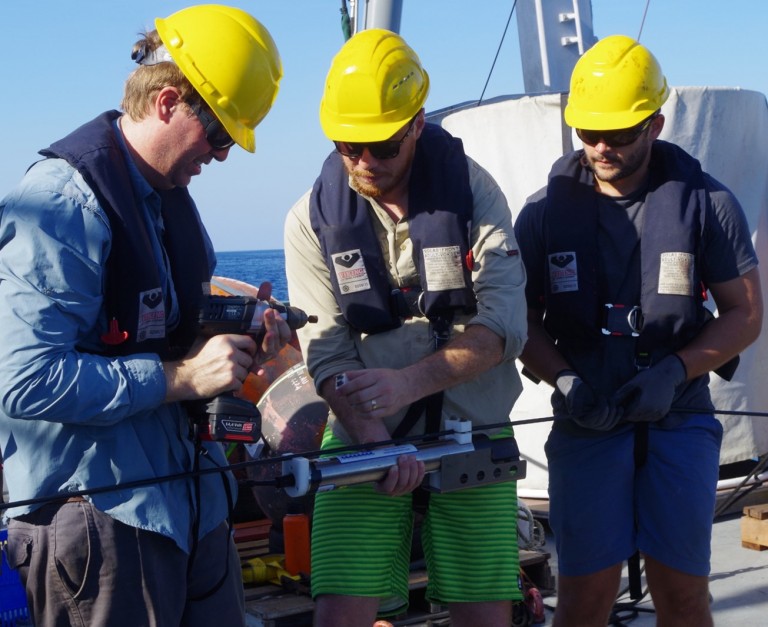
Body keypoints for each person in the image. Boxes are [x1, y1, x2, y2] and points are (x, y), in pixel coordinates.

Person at [0, 6, 288, 627]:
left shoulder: (169, 203)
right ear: (167, 103)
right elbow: (24, 379)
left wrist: (244, 333)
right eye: (218, 134)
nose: (223, 155)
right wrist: (182, 379)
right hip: (106, 526)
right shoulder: (60, 203)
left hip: (195, 511)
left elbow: (177, 332)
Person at [514, 34, 763, 627]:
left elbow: (746, 314)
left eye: (620, 134)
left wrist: (674, 370)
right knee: (582, 602)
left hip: (677, 420)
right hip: (585, 421)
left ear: (655, 121)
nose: (601, 148)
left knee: (682, 597)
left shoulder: (708, 205)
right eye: (587, 134)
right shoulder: (544, 214)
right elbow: (515, 318)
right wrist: (565, 379)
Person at [284, 29, 528, 627]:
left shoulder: (474, 194)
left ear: (417, 124)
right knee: (340, 610)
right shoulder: (307, 221)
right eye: (349, 146)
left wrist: (408, 384)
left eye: (384, 146)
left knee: (485, 614)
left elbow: (502, 327)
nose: (365, 161)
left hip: (475, 430)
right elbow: (327, 353)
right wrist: (372, 435)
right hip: (362, 438)